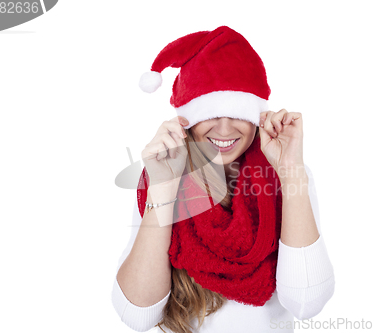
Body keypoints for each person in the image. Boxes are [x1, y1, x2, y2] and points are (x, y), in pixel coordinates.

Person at [111, 26, 335, 333]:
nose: (226, 129)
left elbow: (306, 302)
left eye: (238, 113)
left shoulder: (288, 175)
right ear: (187, 118)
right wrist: (163, 186)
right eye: (211, 113)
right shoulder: (161, 174)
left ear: (257, 116)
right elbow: (137, 315)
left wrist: (291, 171)